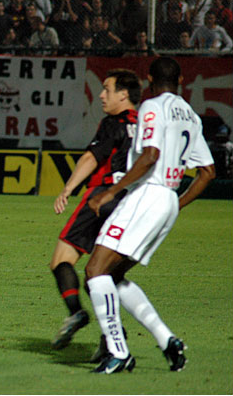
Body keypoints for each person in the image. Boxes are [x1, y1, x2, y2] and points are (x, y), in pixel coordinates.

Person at [85, 57, 215, 374]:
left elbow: (150, 155)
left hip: (147, 194)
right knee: (112, 276)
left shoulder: (151, 106)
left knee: (94, 270)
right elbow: (208, 172)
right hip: (167, 198)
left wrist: (110, 193)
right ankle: (167, 340)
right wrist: (175, 205)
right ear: (181, 79)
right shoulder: (191, 116)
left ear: (149, 80)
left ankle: (118, 352)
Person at [49, 69, 141, 350]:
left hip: (102, 197)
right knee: (100, 274)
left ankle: (76, 312)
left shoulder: (113, 122)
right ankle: (111, 337)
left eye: (107, 89)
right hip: (135, 203)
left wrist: (67, 189)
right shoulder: (149, 124)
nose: (101, 95)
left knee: (62, 259)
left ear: (123, 95)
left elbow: (91, 157)